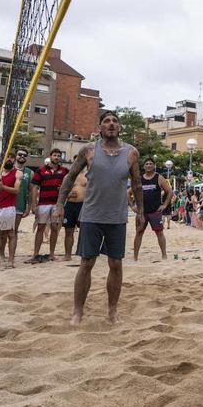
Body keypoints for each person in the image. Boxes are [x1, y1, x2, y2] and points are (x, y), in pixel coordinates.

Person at [53, 110, 142, 325]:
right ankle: (78, 312)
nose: (111, 124)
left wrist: (141, 211)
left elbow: (137, 184)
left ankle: (112, 311)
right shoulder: (89, 150)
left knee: (116, 264)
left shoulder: (131, 153)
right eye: (106, 121)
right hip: (92, 214)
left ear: (119, 127)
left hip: (118, 216)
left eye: (115, 121)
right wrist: (59, 205)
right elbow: (70, 177)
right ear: (100, 127)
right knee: (87, 263)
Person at [29, 148, 67, 262]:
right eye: (54, 155)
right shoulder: (40, 170)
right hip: (43, 203)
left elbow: (70, 183)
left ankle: (51, 254)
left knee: (55, 228)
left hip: (56, 204)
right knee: (40, 227)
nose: (56, 157)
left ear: (60, 158)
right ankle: (36, 254)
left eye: (58, 155)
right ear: (50, 156)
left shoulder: (65, 171)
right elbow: (34, 187)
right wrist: (34, 204)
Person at [132, 157, 172, 260]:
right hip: (142, 212)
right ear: (144, 166)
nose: (149, 165)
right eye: (147, 164)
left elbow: (170, 192)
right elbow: (128, 193)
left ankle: (164, 255)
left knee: (160, 233)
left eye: (151, 164)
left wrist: (164, 205)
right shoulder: (139, 179)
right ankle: (135, 257)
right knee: (139, 233)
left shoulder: (159, 177)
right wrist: (132, 206)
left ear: (154, 166)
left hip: (155, 211)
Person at [0, 159, 21, 269]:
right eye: (7, 157)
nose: (9, 159)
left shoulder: (17, 173)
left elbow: (16, 190)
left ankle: (10, 260)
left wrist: (2, 186)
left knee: (10, 233)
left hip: (8, 207)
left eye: (11, 158)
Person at [61, 166, 87, 261]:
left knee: (85, 231)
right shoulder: (68, 176)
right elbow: (62, 191)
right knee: (68, 231)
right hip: (70, 205)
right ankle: (68, 255)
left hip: (83, 205)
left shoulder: (88, 176)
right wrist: (68, 195)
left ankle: (85, 254)